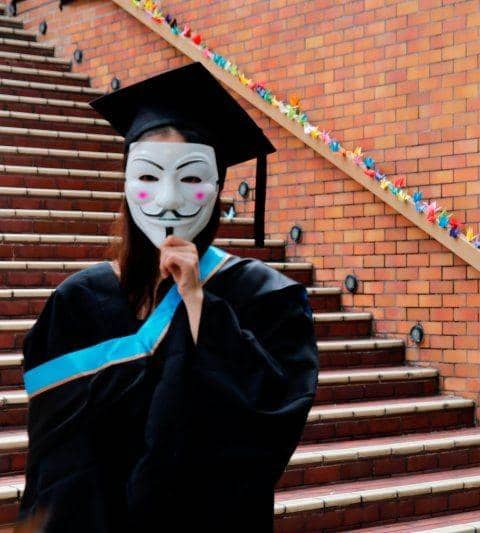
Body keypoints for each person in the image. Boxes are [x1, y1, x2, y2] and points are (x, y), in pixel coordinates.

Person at [17, 63, 319, 531]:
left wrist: (199, 304)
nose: (171, 198)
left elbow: (270, 428)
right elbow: (56, 459)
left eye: (192, 178)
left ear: (217, 187)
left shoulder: (266, 297)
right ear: (126, 183)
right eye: (150, 177)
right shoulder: (78, 301)